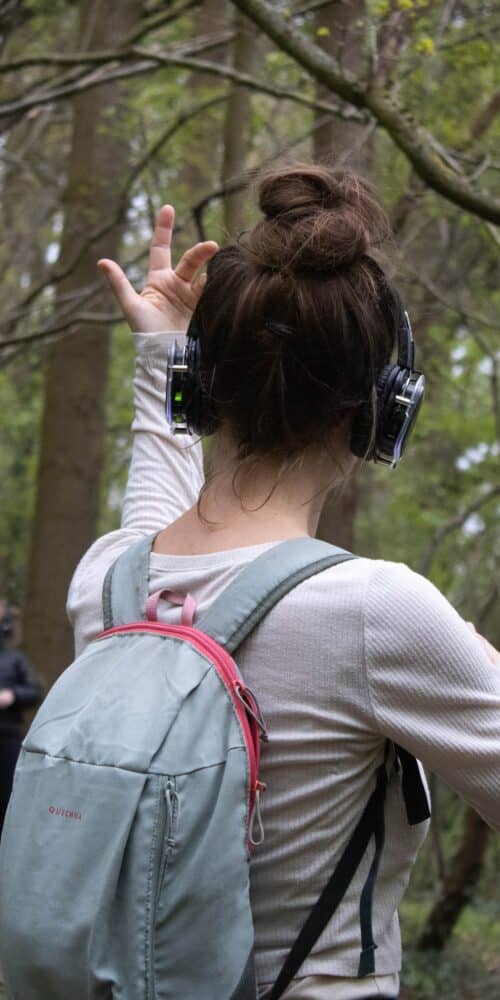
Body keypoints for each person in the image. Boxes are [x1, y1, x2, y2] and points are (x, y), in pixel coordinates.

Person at [67, 164, 500, 1000]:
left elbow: (152, 515)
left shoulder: (109, 584)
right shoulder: (377, 613)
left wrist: (162, 354)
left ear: (205, 392)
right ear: (378, 413)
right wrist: (475, 654)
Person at [0, 602, 43, 836]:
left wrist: (13, 695)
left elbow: (35, 691)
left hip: (7, 738)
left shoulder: (14, 659)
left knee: (8, 798)